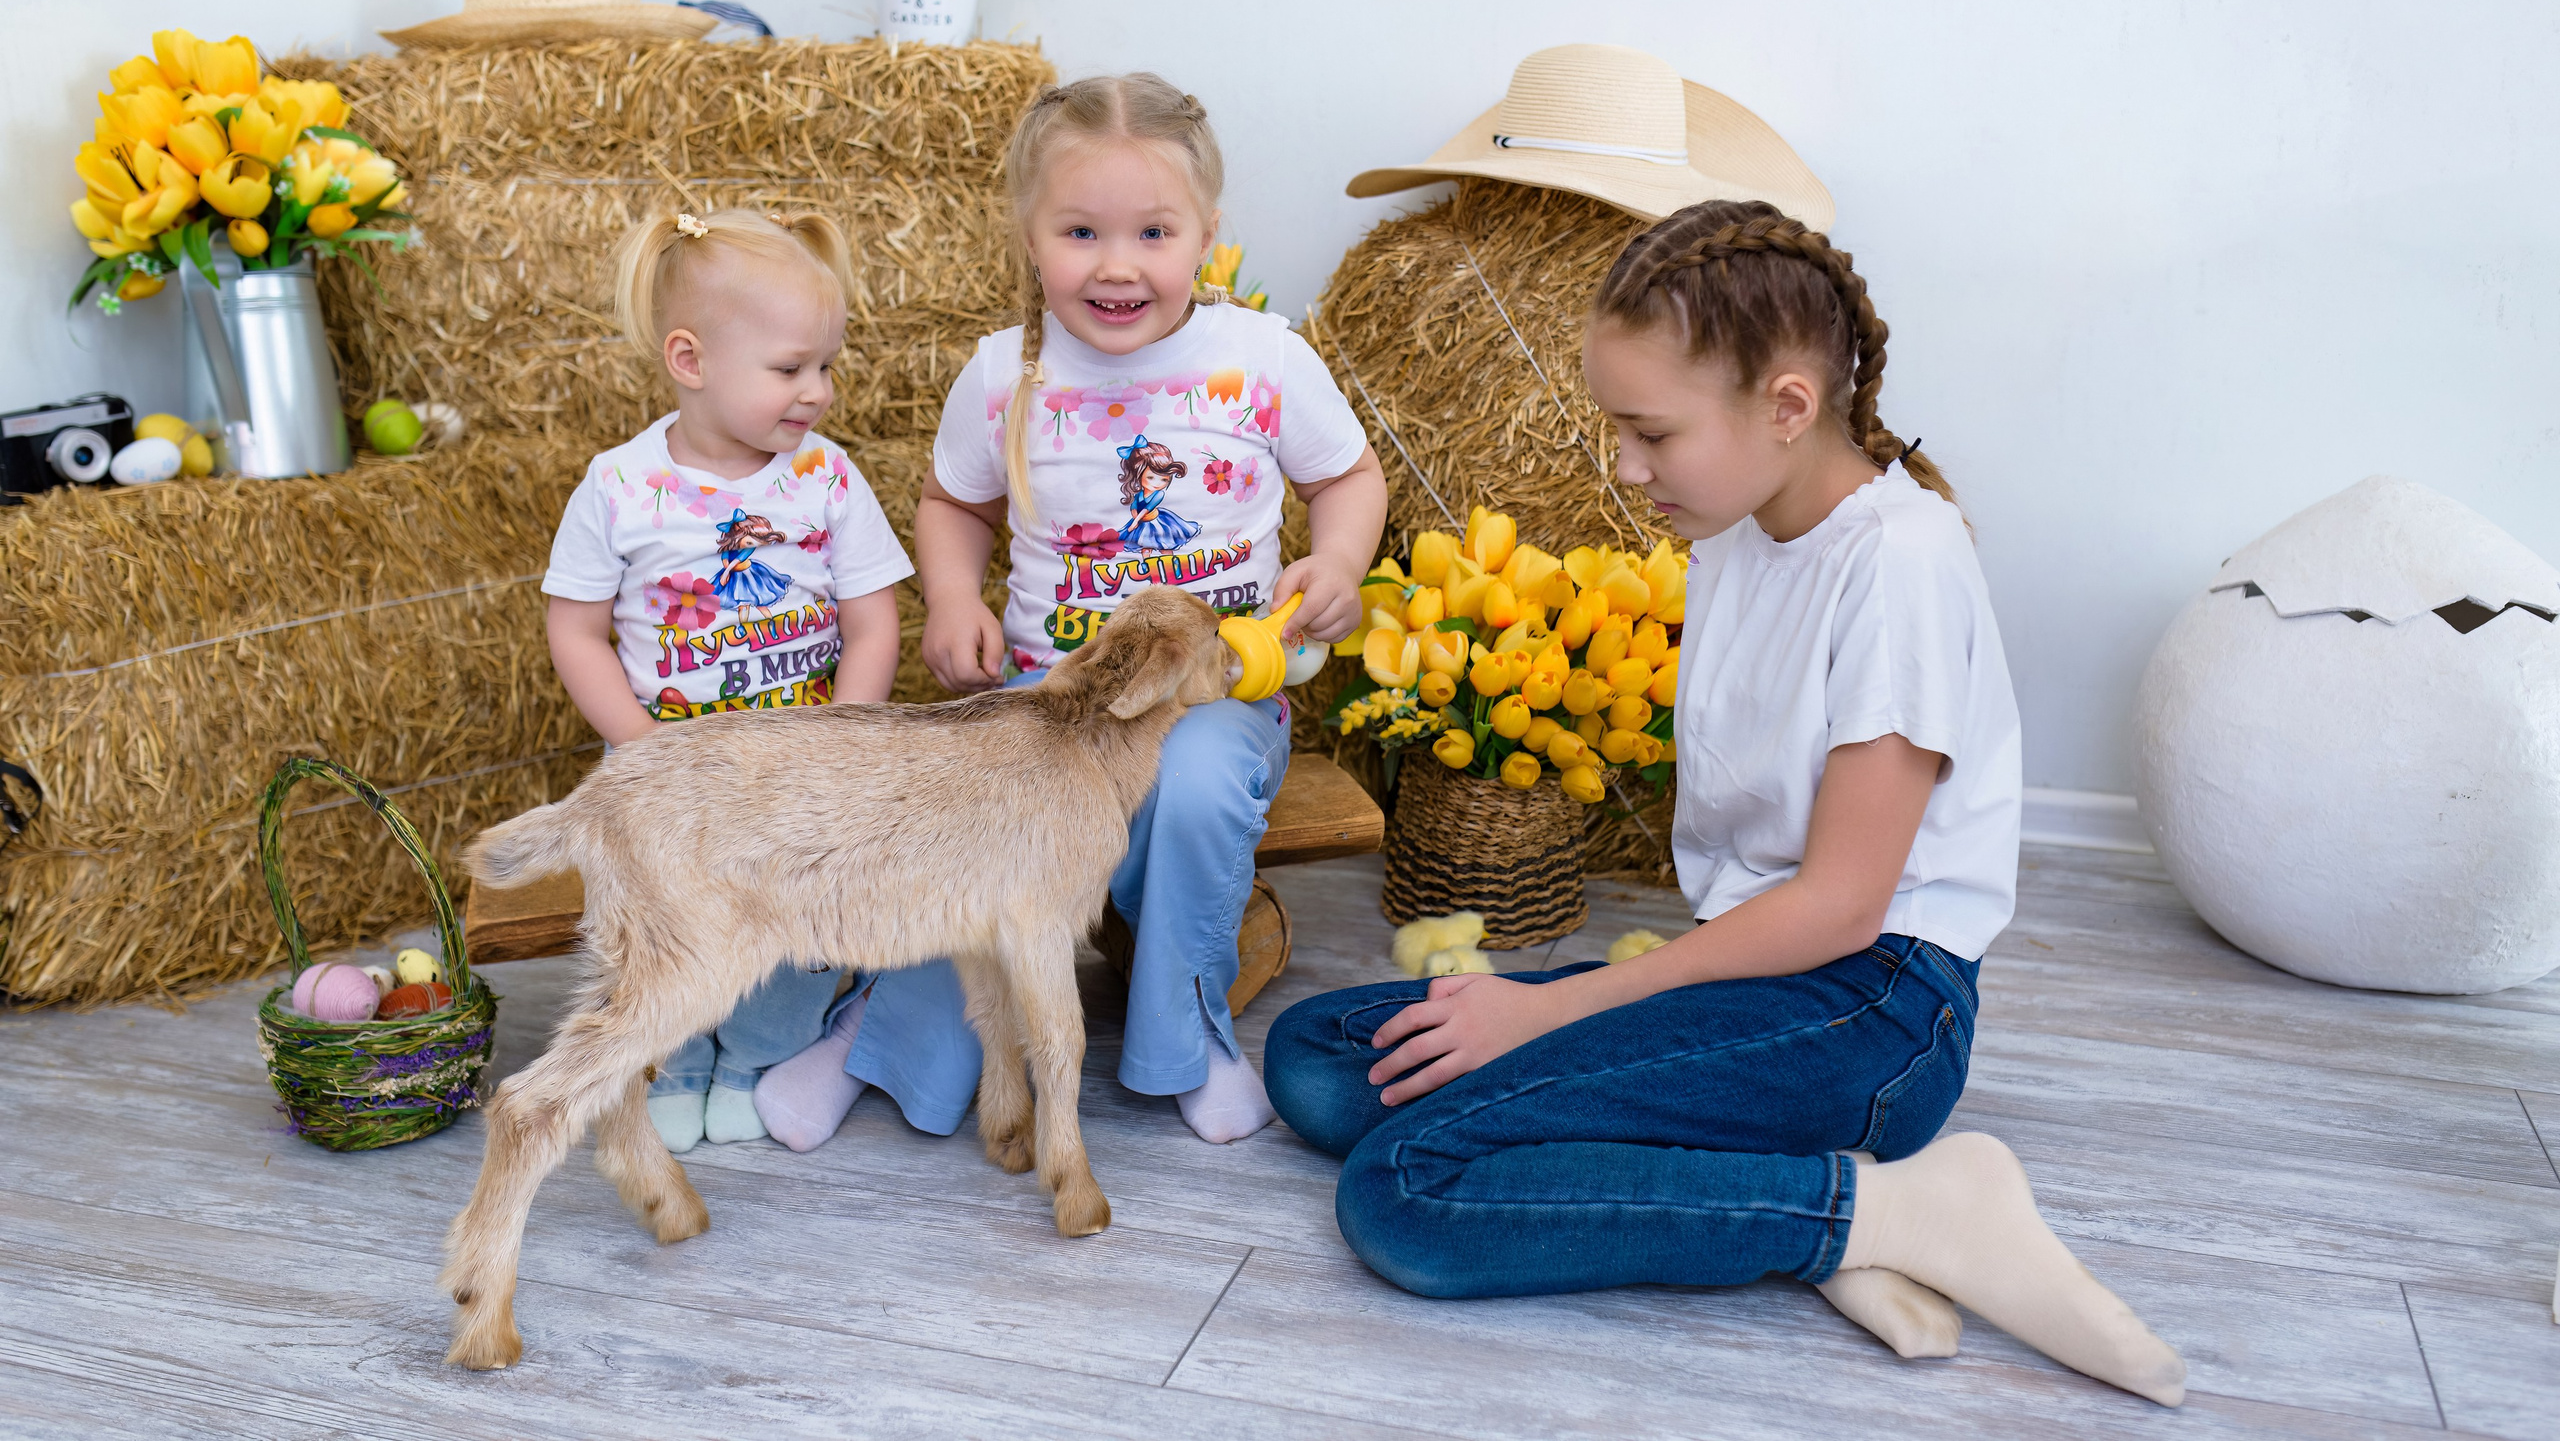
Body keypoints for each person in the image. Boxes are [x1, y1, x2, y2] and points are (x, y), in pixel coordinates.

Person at [1262, 201, 2187, 1407]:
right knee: (1321, 1056)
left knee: (1406, 1191)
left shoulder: (1900, 563)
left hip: (1876, 1007)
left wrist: (1556, 1012)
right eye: (1615, 427)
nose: (1626, 466)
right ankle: (1741, 1176)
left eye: (1651, 431)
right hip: (1751, 972)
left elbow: (1844, 906)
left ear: (1787, 405)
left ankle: (1889, 1210)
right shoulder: (1743, 533)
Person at [752, 72, 1387, 1150]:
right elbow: (955, 500)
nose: (1118, 264)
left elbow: (1350, 476)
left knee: (1190, 797)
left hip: (1214, 694)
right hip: (1048, 701)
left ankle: (1188, 1036)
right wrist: (952, 592)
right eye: (1081, 230)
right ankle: (888, 1040)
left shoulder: (1263, 356)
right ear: (1029, 233)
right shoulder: (1007, 372)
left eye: (1153, 230)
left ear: (1207, 235)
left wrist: (1335, 562)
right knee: (979, 826)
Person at [540, 206, 910, 1155]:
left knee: (786, 921)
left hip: (796, 777)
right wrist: (638, 744)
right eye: (790, 369)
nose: (818, 391)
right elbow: (576, 628)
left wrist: (844, 734)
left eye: (826, 364)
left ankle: (756, 1051)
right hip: (670, 773)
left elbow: (872, 617)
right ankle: (678, 1052)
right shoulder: (620, 489)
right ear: (690, 360)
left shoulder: (826, 478)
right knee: (667, 925)